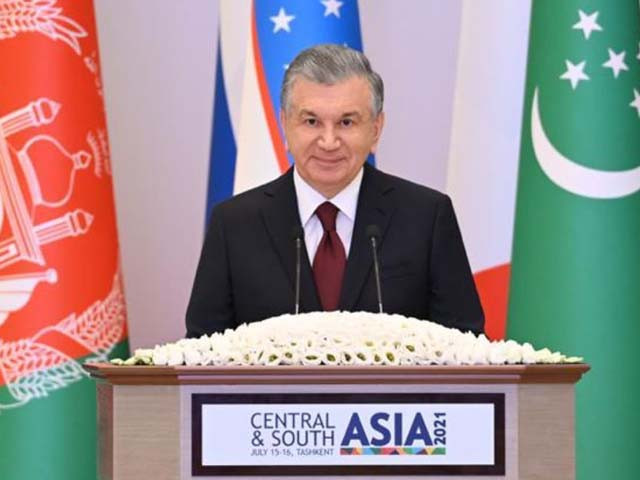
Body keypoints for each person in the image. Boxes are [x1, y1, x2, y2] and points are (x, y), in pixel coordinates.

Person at [186, 44, 484, 337]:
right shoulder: (235, 223)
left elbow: (466, 348)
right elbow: (202, 354)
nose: (328, 141)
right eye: (312, 121)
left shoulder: (426, 217)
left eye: (346, 122)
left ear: (376, 130)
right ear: (285, 125)